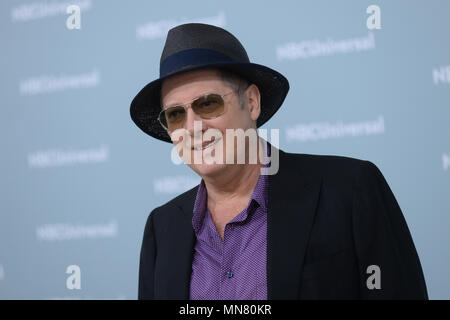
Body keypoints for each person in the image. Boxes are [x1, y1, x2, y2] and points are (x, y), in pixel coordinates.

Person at [130, 23, 428, 300]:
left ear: (252, 102)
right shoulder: (162, 227)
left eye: (208, 103)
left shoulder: (349, 190)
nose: (193, 127)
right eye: (176, 115)